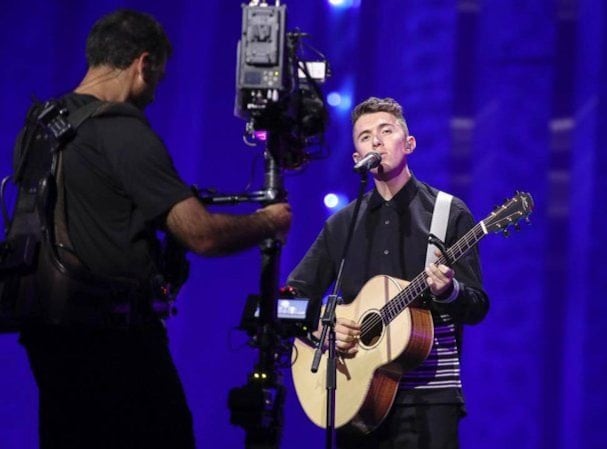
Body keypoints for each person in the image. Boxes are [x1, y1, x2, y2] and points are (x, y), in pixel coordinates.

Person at [15, 9, 291, 449]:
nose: (156, 93)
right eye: (159, 77)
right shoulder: (121, 130)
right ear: (143, 63)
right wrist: (268, 221)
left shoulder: (43, 126)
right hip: (115, 344)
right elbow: (202, 235)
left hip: (49, 336)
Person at [287, 97, 489, 448]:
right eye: (365, 136)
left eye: (386, 131)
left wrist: (448, 291)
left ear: (408, 144)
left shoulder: (448, 212)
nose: (376, 141)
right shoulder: (343, 224)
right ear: (356, 157)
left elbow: (477, 305)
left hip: (429, 399)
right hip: (356, 394)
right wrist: (319, 320)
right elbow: (288, 300)